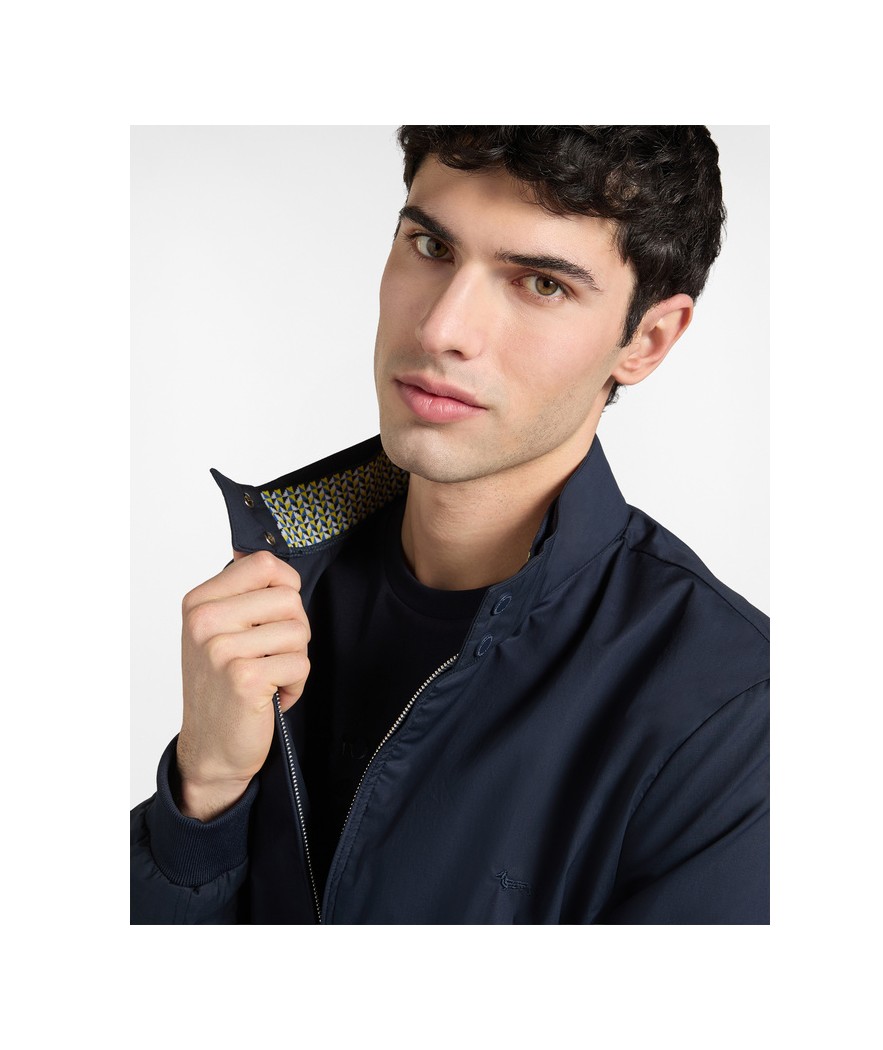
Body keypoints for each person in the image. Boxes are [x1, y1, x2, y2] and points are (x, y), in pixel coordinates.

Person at [131, 125, 769, 924]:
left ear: (645, 340)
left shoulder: (737, 715)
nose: (441, 330)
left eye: (541, 285)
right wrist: (205, 792)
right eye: (432, 247)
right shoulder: (273, 585)